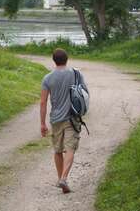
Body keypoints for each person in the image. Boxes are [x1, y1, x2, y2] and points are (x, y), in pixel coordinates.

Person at [40, 48, 87, 194]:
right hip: (72, 118)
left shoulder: (47, 78)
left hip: (55, 119)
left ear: (54, 60)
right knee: (70, 148)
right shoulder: (75, 74)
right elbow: (84, 93)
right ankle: (64, 178)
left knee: (58, 150)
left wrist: (42, 123)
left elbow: (43, 102)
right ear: (67, 59)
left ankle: (61, 178)